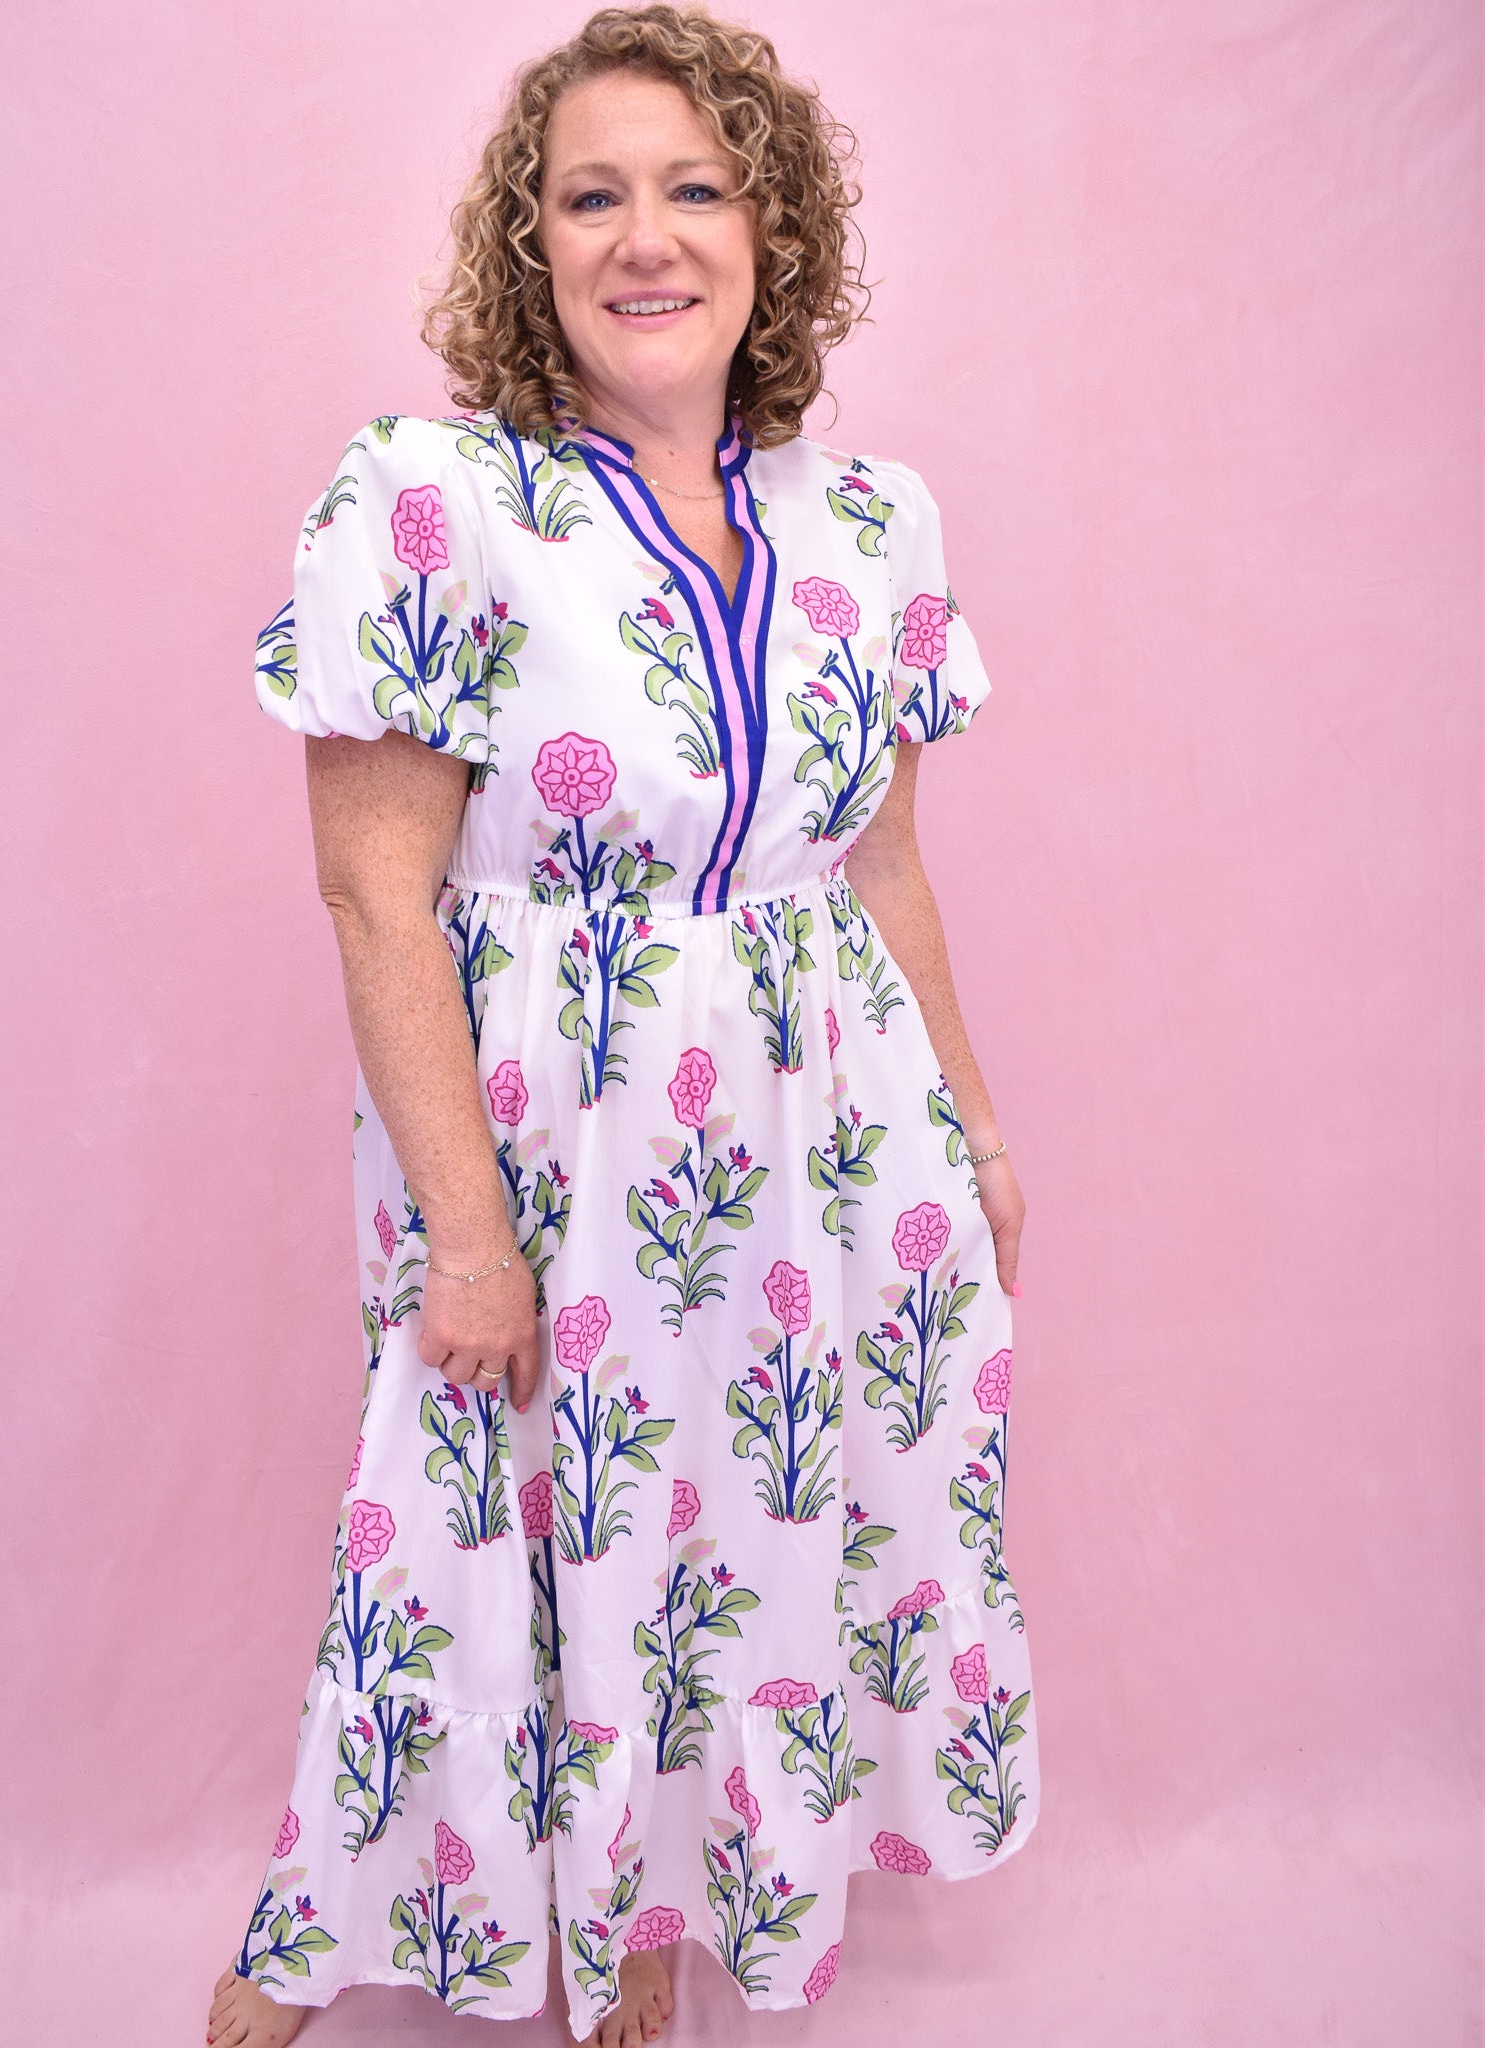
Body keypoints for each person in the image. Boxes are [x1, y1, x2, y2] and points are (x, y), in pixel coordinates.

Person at [208, 6, 1039, 2045]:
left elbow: (881, 869)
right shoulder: (434, 499)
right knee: (480, 1547)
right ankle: (300, 1951)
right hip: (545, 1150)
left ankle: (644, 1950)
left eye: (694, 187)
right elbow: (372, 890)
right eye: (592, 194)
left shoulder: (874, 528)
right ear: (532, 243)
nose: (643, 235)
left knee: (749, 1550)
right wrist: (470, 1234)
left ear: (773, 232)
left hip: (828, 1155)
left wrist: (982, 1136)